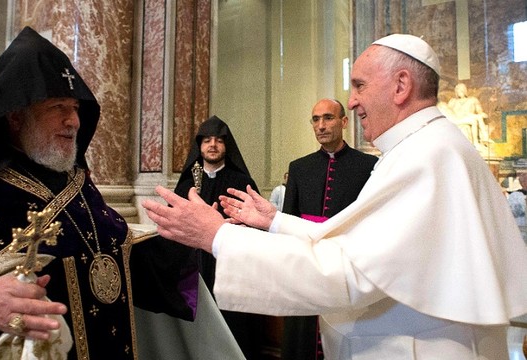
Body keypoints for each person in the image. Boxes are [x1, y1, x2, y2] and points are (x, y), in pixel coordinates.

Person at [141, 33, 527, 359]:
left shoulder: (427, 156)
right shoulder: (426, 147)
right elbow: (358, 247)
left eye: (359, 85)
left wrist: (218, 236)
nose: (353, 102)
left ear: (401, 85)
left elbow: (350, 273)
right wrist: (274, 221)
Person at [0, 26, 204, 359]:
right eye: (57, 108)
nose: (73, 121)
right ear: (16, 116)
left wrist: (204, 238)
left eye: (75, 107)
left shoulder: (74, 182)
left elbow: (112, 245)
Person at [281, 99, 377, 360]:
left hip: (346, 266)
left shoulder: (368, 166)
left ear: (344, 122)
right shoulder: (299, 168)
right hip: (306, 265)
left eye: (328, 118)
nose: (321, 125)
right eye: (315, 119)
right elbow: (288, 221)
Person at [173, 114, 262, 359]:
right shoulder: (186, 185)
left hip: (231, 267)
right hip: (194, 269)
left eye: (219, 141)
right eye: (207, 140)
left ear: (226, 146)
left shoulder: (242, 183)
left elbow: (256, 227)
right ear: (199, 146)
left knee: (233, 329)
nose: (212, 145)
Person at [445, 83, 490, 149]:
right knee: (474, 121)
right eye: (458, 91)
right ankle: (476, 142)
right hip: (456, 120)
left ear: (464, 91)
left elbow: (479, 111)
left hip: (467, 118)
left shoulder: (472, 100)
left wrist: (481, 114)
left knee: (478, 117)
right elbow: (447, 112)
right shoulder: (453, 101)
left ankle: (484, 138)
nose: (459, 92)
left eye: (461, 90)